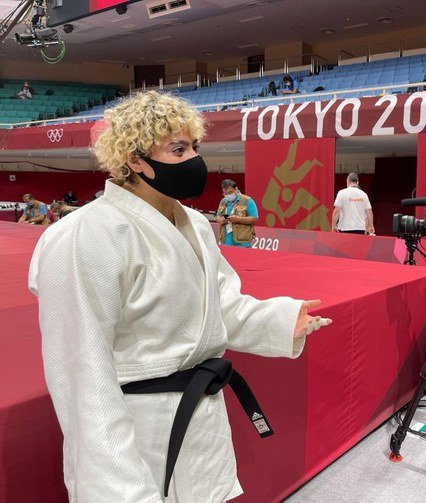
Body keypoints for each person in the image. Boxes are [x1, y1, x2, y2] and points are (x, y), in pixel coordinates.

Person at [28, 90, 332, 502]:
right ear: (134, 159)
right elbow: (81, 372)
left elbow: (219, 304)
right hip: (138, 429)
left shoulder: (193, 222)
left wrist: (276, 320)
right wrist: (116, 485)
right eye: (178, 149)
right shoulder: (85, 235)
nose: (194, 159)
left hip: (201, 417)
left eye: (194, 146)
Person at [216, 179, 259, 247]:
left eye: (230, 193)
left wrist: (238, 219)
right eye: (225, 193)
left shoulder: (247, 200)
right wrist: (223, 220)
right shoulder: (223, 201)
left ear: (236, 189)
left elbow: (254, 218)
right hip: (226, 240)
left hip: (242, 241)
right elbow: (218, 217)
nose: (228, 195)